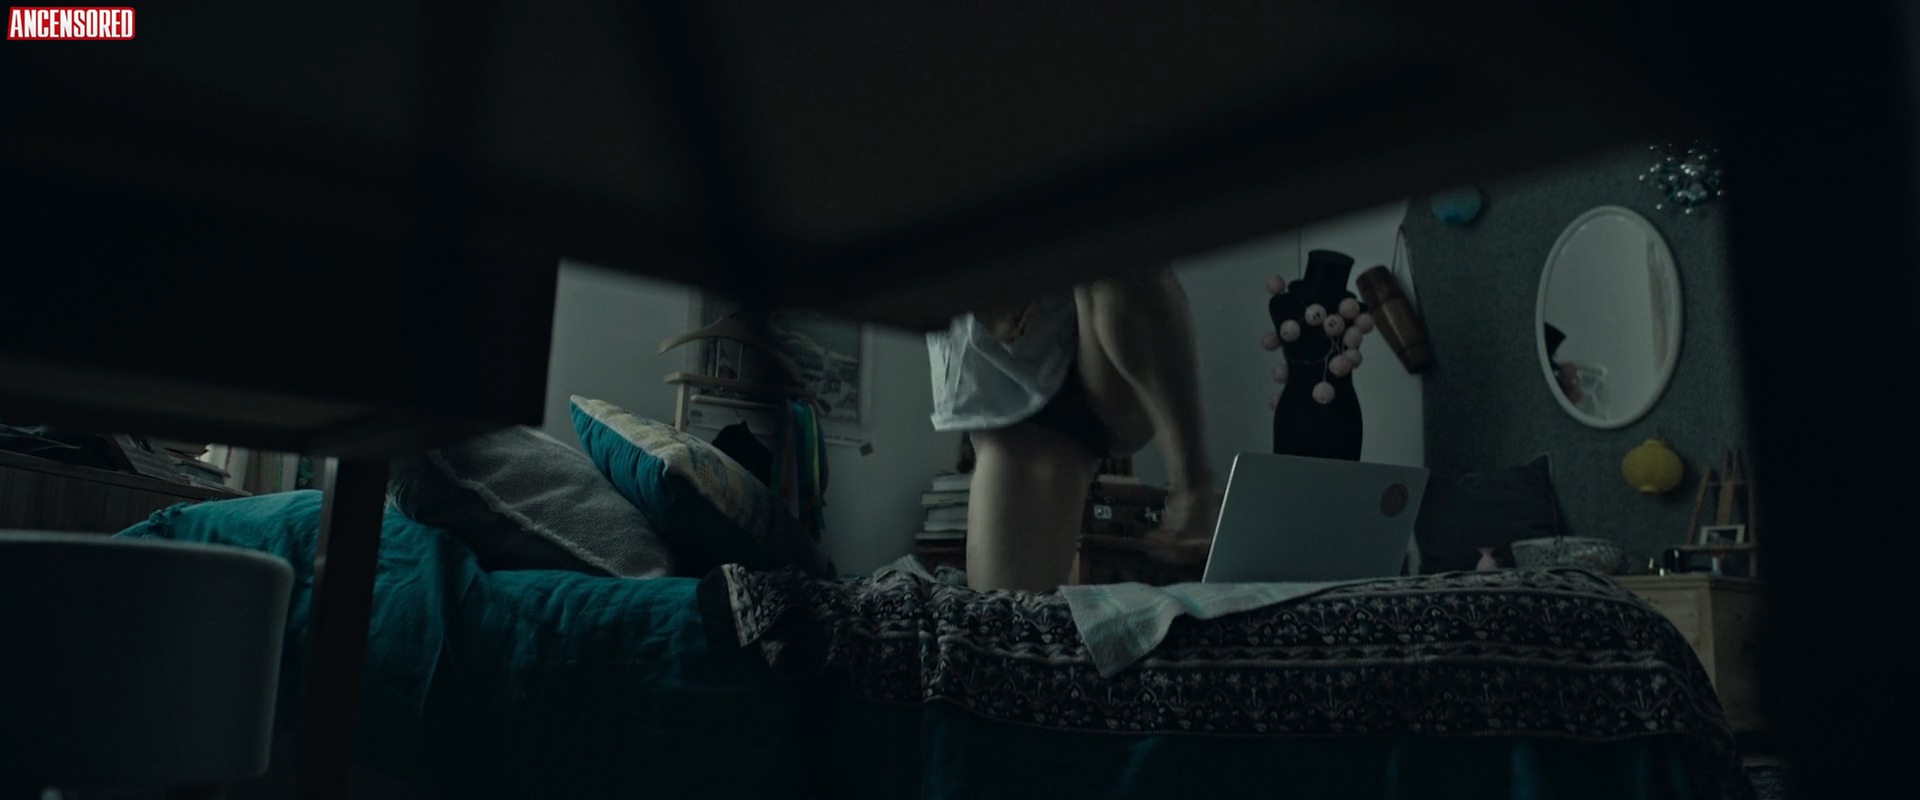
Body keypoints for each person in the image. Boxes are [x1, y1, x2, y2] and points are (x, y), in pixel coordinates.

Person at [927, 270, 1220, 591]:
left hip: (1103, 338)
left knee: (1116, 263)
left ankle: (1194, 485)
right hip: (1007, 396)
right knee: (1006, 610)